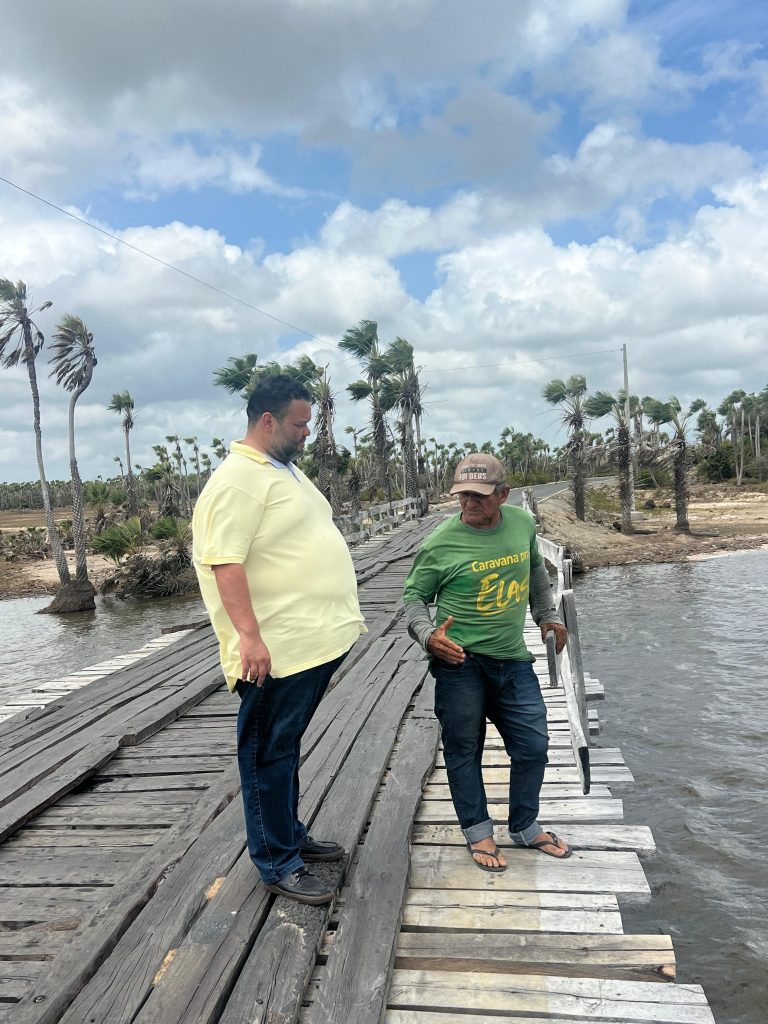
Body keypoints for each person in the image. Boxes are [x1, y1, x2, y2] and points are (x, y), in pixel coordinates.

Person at [192, 375, 365, 904]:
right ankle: (276, 861)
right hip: (276, 653)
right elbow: (225, 561)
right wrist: (249, 638)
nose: (307, 432)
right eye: (299, 423)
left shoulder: (281, 471)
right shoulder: (237, 480)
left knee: (284, 748)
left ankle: (289, 835)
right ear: (267, 420)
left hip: (311, 643)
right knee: (266, 753)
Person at [403, 452, 571, 871]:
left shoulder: (522, 524)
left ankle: (524, 825)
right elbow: (414, 599)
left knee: (533, 746)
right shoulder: (440, 544)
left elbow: (535, 570)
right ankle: (478, 833)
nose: (469, 504)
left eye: (479, 497)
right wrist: (427, 636)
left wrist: (547, 615)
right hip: (460, 663)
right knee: (464, 750)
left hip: (512, 659)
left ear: (503, 495)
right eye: (462, 496)